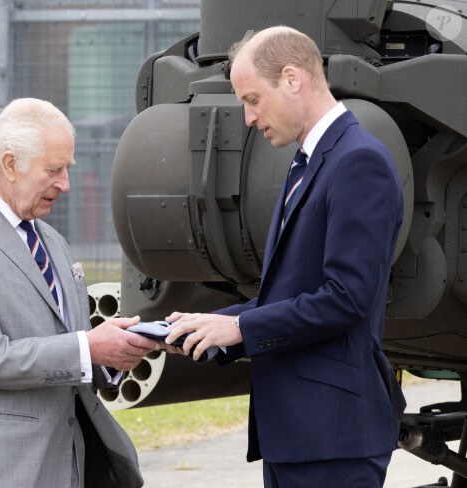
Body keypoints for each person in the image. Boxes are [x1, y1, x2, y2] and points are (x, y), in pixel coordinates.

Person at [165, 26, 406, 488]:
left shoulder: (358, 162)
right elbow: (294, 294)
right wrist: (211, 324)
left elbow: (347, 298)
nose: (248, 117)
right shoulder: (311, 162)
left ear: (292, 80)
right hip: (302, 436)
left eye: (252, 99)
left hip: (333, 438)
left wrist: (240, 327)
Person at [0, 98, 159, 488]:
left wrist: (112, 354)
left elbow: (67, 349)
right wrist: (88, 349)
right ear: (9, 164)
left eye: (67, 169)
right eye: (54, 169)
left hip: (66, 466)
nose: (65, 184)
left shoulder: (52, 241)